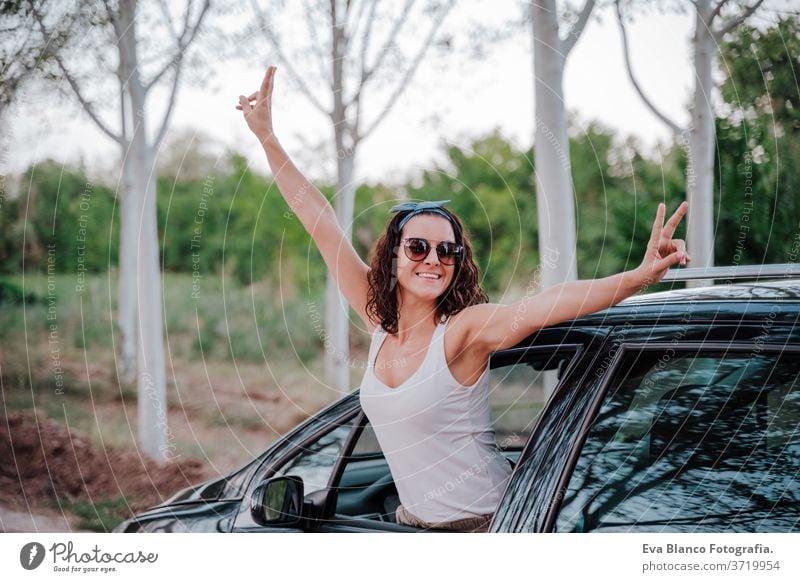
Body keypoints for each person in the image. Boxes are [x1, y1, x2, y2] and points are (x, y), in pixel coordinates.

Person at [237, 66, 690, 533]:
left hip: (487, 526)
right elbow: (319, 220)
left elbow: (546, 302)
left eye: (447, 250)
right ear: (393, 256)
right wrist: (268, 139)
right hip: (414, 524)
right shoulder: (378, 321)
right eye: (418, 247)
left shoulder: (461, 333)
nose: (433, 259)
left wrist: (637, 277)